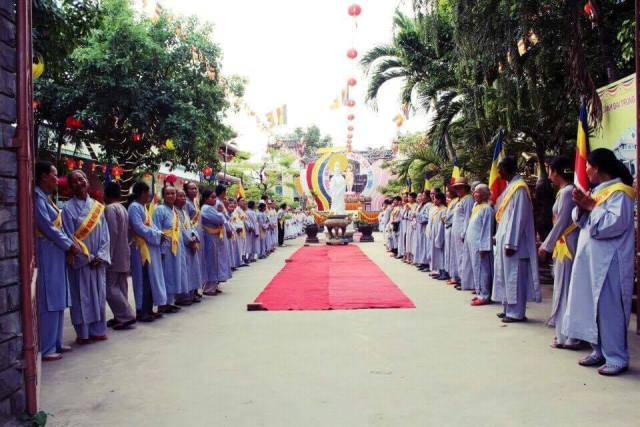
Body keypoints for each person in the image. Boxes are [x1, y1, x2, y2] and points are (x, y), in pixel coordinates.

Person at [563, 148, 635, 376]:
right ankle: (599, 350)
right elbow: (582, 222)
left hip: (609, 262)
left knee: (609, 309)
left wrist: (591, 207)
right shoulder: (598, 191)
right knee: (591, 305)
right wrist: (582, 207)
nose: (585, 170)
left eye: (588, 166)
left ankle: (616, 357)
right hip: (591, 260)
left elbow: (613, 225)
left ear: (597, 168)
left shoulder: (621, 193)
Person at [61, 170, 110, 344]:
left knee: (98, 295)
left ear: (87, 181)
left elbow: (105, 235)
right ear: (70, 186)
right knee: (81, 297)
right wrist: (87, 257)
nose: (79, 183)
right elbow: (68, 237)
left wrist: (101, 256)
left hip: (97, 261)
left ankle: (98, 330)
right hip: (81, 262)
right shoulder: (67, 209)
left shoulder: (97, 207)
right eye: (74, 181)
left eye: (81, 179)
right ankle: (83, 333)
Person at [34, 161, 77, 360]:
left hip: (56, 251)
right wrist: (69, 245)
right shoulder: (37, 198)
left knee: (58, 296)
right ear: (43, 176)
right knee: (49, 298)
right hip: (47, 252)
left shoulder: (46, 198)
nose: (57, 179)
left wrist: (68, 245)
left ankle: (56, 342)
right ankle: (47, 347)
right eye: (54, 175)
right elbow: (47, 227)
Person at [537, 157, 580, 349]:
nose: (549, 175)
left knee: (565, 287)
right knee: (564, 286)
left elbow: (562, 222)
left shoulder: (567, 192)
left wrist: (546, 246)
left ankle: (568, 335)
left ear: (556, 171)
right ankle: (565, 333)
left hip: (567, 244)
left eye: (549, 170)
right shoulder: (565, 191)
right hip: (565, 243)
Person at [492, 156, 541, 323]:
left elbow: (518, 218)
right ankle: (508, 308)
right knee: (506, 276)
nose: (498, 173)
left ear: (507, 169)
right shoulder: (510, 187)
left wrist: (511, 243)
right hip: (506, 240)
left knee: (515, 278)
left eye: (500, 169)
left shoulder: (519, 188)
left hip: (515, 244)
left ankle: (516, 313)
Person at [129, 181, 167, 322]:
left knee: (150, 279)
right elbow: (139, 227)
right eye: (147, 193)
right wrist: (157, 235)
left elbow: (152, 225)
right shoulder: (134, 207)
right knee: (142, 280)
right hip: (140, 249)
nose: (149, 196)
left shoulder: (143, 207)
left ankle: (149, 309)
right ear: (141, 193)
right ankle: (142, 311)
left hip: (149, 248)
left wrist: (160, 233)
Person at [104, 182, 136, 330]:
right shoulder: (122, 208)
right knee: (121, 286)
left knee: (110, 288)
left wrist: (108, 255)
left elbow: (111, 233)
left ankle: (126, 315)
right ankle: (120, 316)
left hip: (115, 254)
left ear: (106, 194)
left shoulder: (110, 209)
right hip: (124, 252)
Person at [152, 185, 188, 313]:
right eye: (168, 193)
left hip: (176, 246)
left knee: (174, 273)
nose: (171, 196)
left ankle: (170, 301)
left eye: (173, 193)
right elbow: (156, 229)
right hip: (166, 247)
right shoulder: (159, 210)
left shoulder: (175, 211)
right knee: (166, 274)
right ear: (163, 195)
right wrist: (160, 250)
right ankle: (163, 303)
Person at [464, 184, 494, 306]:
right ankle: (479, 292)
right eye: (474, 192)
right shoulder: (476, 206)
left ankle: (484, 296)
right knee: (476, 269)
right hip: (473, 244)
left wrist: (484, 247)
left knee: (483, 270)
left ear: (485, 194)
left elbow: (487, 229)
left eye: (477, 192)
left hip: (480, 246)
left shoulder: (487, 209)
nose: (474, 194)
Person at [201, 188, 231, 295]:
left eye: (214, 197)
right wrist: (221, 213)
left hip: (215, 237)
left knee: (215, 260)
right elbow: (220, 219)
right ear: (205, 199)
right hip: (209, 237)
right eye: (211, 197)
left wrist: (221, 214)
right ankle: (209, 288)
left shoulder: (211, 208)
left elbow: (223, 218)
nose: (214, 199)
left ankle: (214, 285)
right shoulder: (206, 208)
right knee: (211, 261)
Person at [176, 189, 202, 304]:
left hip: (191, 243)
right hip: (183, 244)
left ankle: (192, 293)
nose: (183, 198)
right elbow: (180, 228)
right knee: (184, 271)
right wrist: (189, 240)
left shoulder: (184, 212)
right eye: (180, 196)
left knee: (192, 270)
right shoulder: (174, 212)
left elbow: (191, 226)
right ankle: (183, 296)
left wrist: (194, 236)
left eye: (183, 196)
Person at [452, 177, 474, 291]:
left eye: (460, 187)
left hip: (462, 232)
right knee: (459, 256)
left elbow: (468, 217)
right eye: (456, 188)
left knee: (464, 257)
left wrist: (464, 232)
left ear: (465, 188)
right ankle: (461, 278)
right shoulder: (460, 200)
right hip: (456, 232)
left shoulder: (468, 199)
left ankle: (466, 280)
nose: (458, 190)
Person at [184, 181, 205, 300]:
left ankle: (196, 289)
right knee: (191, 265)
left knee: (197, 264)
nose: (194, 190)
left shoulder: (195, 202)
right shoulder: (186, 203)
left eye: (195, 188)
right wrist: (191, 236)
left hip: (198, 234)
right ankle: (190, 291)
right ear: (186, 191)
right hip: (191, 236)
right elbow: (186, 221)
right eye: (191, 189)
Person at [428, 191, 447, 279]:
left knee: (441, 253)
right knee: (436, 253)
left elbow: (441, 225)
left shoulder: (443, 210)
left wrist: (439, 236)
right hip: (435, 234)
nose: (434, 200)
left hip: (440, 235)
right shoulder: (437, 209)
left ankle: (443, 272)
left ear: (439, 200)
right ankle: (438, 270)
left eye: (435, 199)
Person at [414, 191, 431, 272]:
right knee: (420, 245)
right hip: (419, 227)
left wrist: (417, 215)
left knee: (424, 246)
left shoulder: (429, 205)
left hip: (424, 227)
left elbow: (427, 217)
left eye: (423, 196)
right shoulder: (422, 205)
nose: (422, 197)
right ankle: (422, 262)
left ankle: (426, 263)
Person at [443, 188, 457, 281]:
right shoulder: (452, 202)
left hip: (452, 227)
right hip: (448, 227)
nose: (447, 193)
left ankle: (454, 275)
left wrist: (446, 219)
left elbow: (452, 216)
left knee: (452, 252)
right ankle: (449, 273)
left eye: (449, 192)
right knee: (448, 251)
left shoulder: (456, 201)